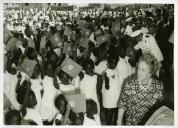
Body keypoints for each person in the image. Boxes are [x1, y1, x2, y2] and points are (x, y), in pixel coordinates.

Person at [117, 53, 164, 125]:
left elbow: (160, 109)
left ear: (150, 72)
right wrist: (118, 123)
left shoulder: (158, 86)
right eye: (138, 68)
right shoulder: (130, 84)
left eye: (143, 70)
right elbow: (122, 106)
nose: (139, 72)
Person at [101, 55, 120, 125]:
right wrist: (106, 80)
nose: (114, 64)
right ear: (108, 63)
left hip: (115, 94)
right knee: (109, 110)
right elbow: (107, 87)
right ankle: (108, 124)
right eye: (112, 63)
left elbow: (115, 79)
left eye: (115, 63)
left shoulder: (116, 69)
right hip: (109, 95)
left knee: (113, 110)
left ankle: (113, 123)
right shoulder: (106, 72)